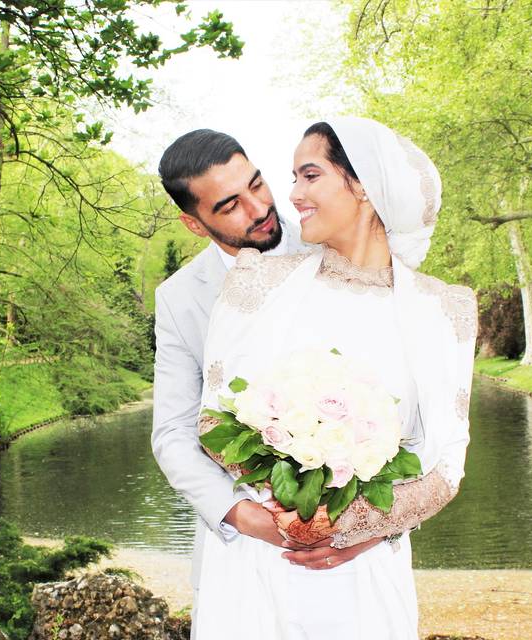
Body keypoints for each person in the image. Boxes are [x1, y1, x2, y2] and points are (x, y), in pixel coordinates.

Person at [193, 117, 477, 639]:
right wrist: (292, 511)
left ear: (363, 184)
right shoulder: (256, 281)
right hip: (258, 566)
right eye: (293, 178)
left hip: (365, 575)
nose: (292, 194)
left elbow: (446, 467)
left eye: (309, 175)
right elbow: (213, 421)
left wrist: (352, 527)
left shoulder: (445, 309)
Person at [150, 129, 384, 620]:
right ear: (194, 224)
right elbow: (172, 433)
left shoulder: (336, 246)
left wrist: (373, 523)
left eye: (258, 184)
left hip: (353, 549)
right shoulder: (178, 298)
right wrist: (246, 517)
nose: (259, 209)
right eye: (230, 205)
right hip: (240, 558)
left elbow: (396, 398)